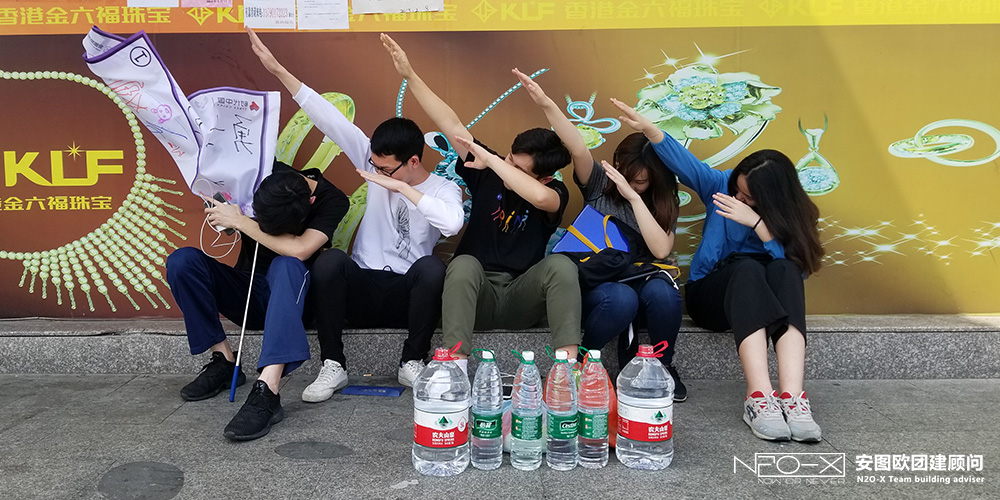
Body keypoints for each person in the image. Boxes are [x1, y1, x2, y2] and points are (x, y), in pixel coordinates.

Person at [247, 28, 465, 398]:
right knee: (330, 260)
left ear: (413, 161)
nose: (377, 173)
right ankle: (333, 365)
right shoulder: (372, 161)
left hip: (407, 293)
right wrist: (279, 71)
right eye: (375, 166)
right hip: (362, 286)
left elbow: (453, 223)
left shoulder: (443, 189)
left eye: (386, 170)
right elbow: (330, 120)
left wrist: (403, 189)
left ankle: (412, 361)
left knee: (432, 268)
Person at [611, 98, 825, 442]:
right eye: (737, 190)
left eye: (748, 197)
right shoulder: (720, 187)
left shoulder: (794, 214)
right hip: (710, 295)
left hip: (766, 300)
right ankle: (759, 397)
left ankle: (793, 398)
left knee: (786, 270)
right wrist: (650, 130)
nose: (737, 199)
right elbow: (687, 165)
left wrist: (758, 225)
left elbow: (799, 270)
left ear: (773, 200)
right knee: (747, 269)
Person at [381, 34, 581, 373]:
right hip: (475, 296)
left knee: (562, 266)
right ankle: (455, 369)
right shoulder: (487, 170)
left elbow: (538, 197)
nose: (507, 167)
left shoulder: (553, 192)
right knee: (462, 264)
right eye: (509, 159)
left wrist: (493, 161)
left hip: (521, 297)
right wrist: (410, 76)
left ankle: (567, 370)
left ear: (546, 178)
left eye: (519, 169)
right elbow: (451, 124)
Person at [514, 71, 686, 400]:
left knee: (664, 295)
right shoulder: (598, 184)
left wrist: (634, 198)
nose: (627, 183)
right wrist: (546, 103)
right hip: (594, 280)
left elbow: (660, 250)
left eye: (639, 181)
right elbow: (577, 147)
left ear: (655, 179)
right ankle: (584, 363)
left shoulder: (663, 202)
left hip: (637, 275)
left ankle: (662, 367)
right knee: (621, 299)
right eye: (623, 173)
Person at [166, 161, 349, 441]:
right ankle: (224, 361)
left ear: (310, 203)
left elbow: (301, 249)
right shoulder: (260, 168)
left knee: (287, 264)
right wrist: (221, 210)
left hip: (293, 299)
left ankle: (268, 390)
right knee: (183, 262)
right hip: (249, 292)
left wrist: (242, 222)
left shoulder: (332, 199)